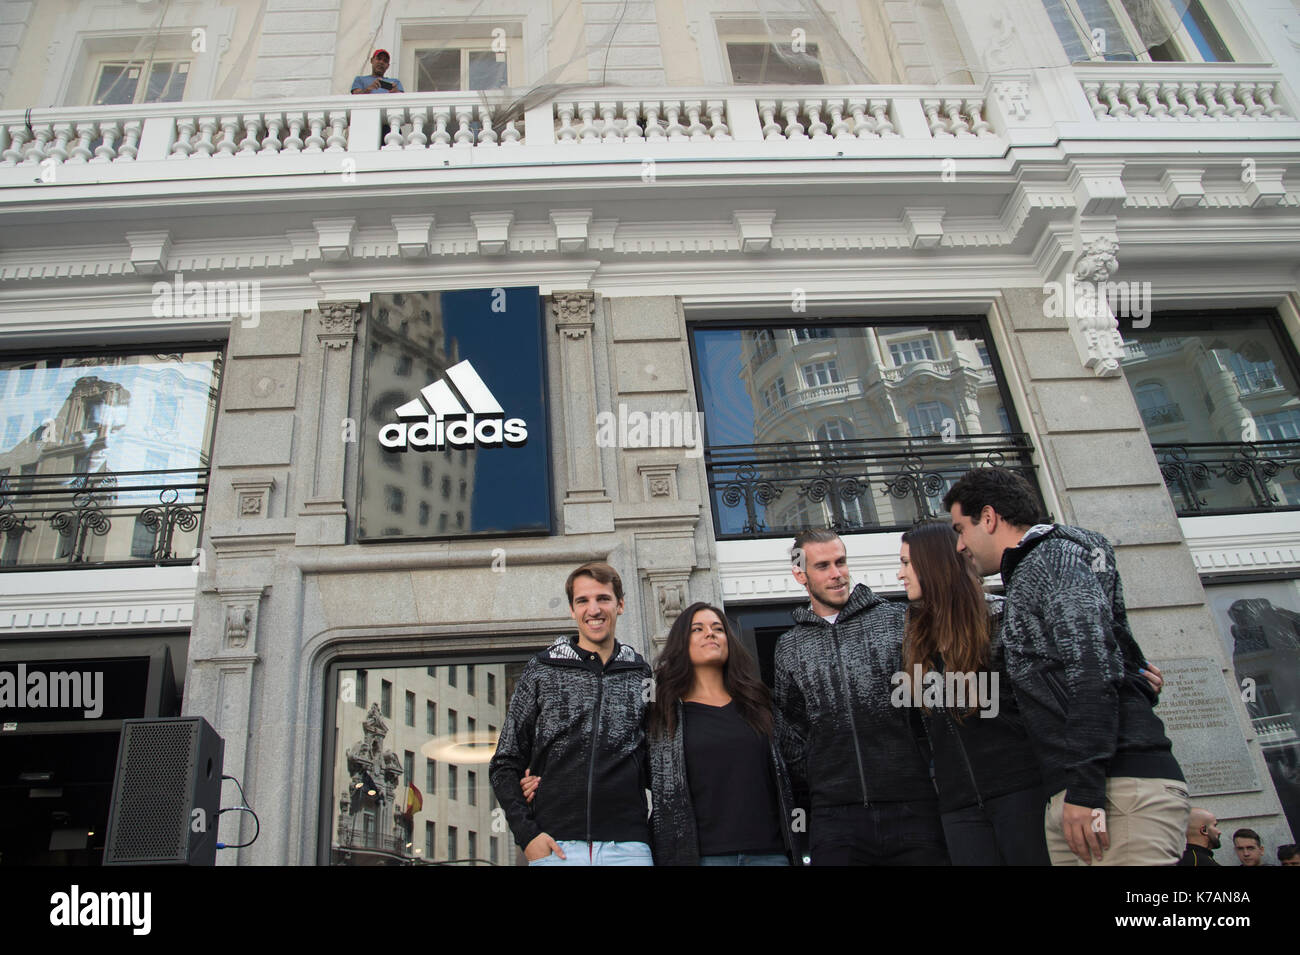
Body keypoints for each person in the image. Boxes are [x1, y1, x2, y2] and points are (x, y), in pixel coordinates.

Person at [943, 466, 1189, 866]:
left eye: (959, 529)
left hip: (1110, 789)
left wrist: (1085, 788)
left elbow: (1091, 667)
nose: (959, 546)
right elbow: (1096, 657)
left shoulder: (1050, 560)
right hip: (1080, 790)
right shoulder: (1032, 570)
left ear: (988, 518)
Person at [522, 602, 804, 866]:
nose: (711, 634)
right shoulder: (661, 714)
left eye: (718, 628)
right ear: (682, 642)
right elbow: (617, 766)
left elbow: (799, 765)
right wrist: (549, 780)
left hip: (769, 853)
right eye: (698, 629)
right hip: (699, 856)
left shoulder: (759, 704)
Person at [774, 528, 949, 865]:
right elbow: (791, 729)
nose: (837, 574)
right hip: (835, 818)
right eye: (823, 566)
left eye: (840, 562)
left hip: (914, 807)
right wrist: (820, 778)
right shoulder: (789, 647)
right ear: (800, 574)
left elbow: (929, 708)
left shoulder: (898, 621)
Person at [896, 520, 1049, 865]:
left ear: (934, 563)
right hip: (958, 807)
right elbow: (921, 728)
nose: (899, 574)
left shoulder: (1004, 618)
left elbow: (1049, 697)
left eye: (906, 563)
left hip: (1022, 794)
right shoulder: (915, 638)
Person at [488, 561, 653, 866]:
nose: (594, 609)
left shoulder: (641, 673)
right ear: (572, 609)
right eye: (583, 601)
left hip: (628, 848)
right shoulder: (542, 669)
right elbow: (504, 763)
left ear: (620, 605)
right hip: (556, 847)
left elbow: (656, 762)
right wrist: (528, 836)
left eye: (603, 598)